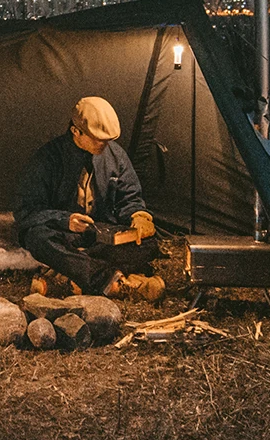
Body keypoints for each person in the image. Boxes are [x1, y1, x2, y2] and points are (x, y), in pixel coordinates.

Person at [14, 96, 165, 301]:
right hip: (63, 234)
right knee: (38, 238)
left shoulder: (115, 155)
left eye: (107, 140)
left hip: (100, 236)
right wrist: (65, 220)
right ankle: (108, 280)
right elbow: (27, 210)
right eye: (97, 138)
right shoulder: (47, 158)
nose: (104, 144)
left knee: (149, 245)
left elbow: (129, 197)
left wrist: (139, 216)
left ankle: (69, 276)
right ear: (76, 131)